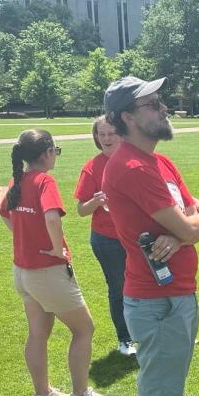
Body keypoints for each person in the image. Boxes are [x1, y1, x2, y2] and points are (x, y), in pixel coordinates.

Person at [101, 76, 199, 396]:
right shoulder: (131, 167)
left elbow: (196, 209)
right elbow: (191, 225)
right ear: (128, 116)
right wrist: (193, 226)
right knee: (154, 393)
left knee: (161, 390)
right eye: (153, 104)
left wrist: (196, 220)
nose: (164, 108)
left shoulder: (159, 163)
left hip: (174, 293)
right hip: (157, 300)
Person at [0, 129, 117, 396]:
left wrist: (22, 237)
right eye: (56, 151)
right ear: (47, 152)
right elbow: (52, 217)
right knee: (84, 328)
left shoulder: (18, 180)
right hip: (47, 272)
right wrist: (55, 248)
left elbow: (2, 211)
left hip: (23, 273)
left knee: (38, 333)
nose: (56, 156)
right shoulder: (44, 181)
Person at [74, 115, 135, 356]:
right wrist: (95, 201)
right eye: (102, 134)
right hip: (107, 239)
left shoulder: (135, 160)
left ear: (121, 133)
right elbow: (80, 210)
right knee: (119, 287)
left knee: (150, 284)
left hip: (137, 236)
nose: (107, 138)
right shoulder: (92, 167)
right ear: (96, 137)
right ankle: (125, 339)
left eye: (111, 133)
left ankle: (160, 333)